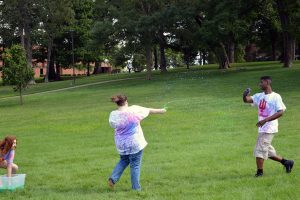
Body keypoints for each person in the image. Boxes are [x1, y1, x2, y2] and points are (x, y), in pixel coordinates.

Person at [108, 94, 166, 190]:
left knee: (124, 160)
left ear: (117, 103)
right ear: (126, 101)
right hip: (135, 143)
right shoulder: (134, 109)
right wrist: (162, 110)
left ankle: (113, 179)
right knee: (135, 165)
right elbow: (149, 110)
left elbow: (112, 125)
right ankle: (136, 188)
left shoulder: (113, 114)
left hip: (121, 144)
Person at [243, 76, 294, 177]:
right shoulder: (259, 96)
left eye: (261, 82)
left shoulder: (276, 97)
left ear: (267, 82)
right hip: (262, 128)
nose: (259, 84)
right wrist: (244, 95)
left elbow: (280, 112)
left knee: (259, 150)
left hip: (269, 128)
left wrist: (265, 120)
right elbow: (247, 100)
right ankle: (286, 162)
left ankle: (259, 173)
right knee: (267, 150)